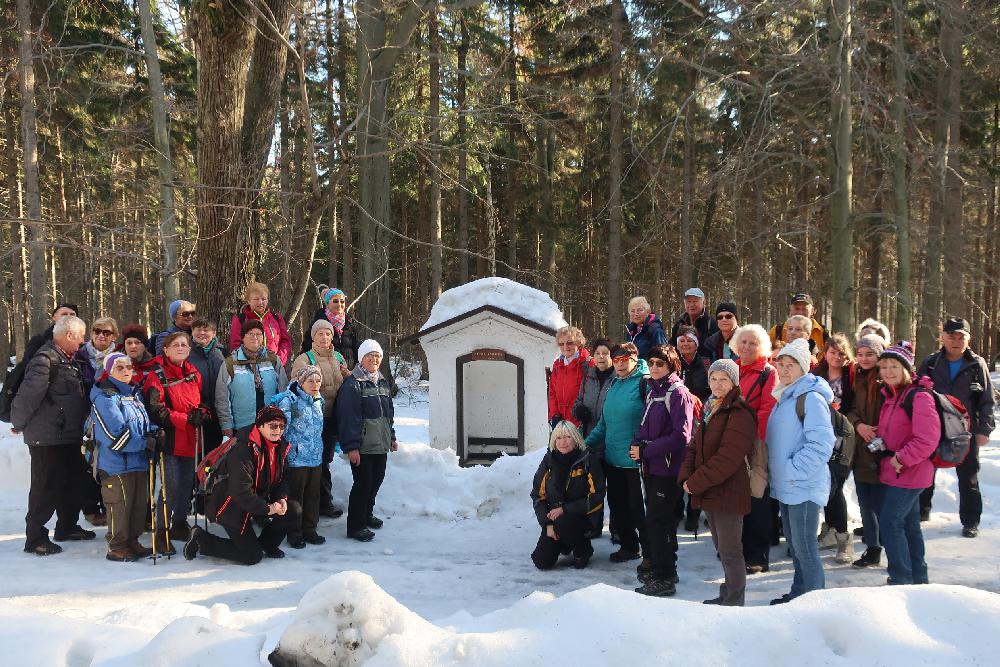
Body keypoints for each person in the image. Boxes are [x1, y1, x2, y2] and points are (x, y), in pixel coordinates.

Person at [11, 316, 95, 555]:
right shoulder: (45, 360)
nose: (83, 341)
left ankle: (67, 527)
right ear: (69, 336)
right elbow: (28, 396)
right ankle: (35, 537)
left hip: (68, 435)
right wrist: (19, 422)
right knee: (46, 487)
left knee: (72, 483)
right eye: (81, 336)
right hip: (46, 437)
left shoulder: (69, 359)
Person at [679, 359, 757, 606]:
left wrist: (696, 483)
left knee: (731, 552)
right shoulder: (712, 408)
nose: (717, 384)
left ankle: (734, 600)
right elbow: (695, 447)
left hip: (728, 491)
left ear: (734, 382)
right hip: (711, 489)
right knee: (722, 549)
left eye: (724, 379)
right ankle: (727, 594)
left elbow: (728, 458)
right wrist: (685, 477)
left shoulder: (739, 412)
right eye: (713, 378)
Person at [765, 338, 835, 605]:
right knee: (796, 547)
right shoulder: (786, 395)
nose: (783, 369)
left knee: (806, 548)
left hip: (802, 486)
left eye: (790, 364)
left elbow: (821, 444)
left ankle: (815, 604)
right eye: (780, 364)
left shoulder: (810, 398)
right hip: (787, 486)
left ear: (803, 367)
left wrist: (794, 470)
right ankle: (799, 595)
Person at [917, 317, 995, 537]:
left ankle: (971, 520)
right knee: (925, 471)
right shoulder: (931, 363)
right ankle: (920, 512)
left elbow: (987, 400)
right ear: (942, 337)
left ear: (968, 340)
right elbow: (916, 394)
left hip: (965, 430)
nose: (956, 341)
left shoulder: (977, 364)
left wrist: (984, 430)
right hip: (933, 427)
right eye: (952, 336)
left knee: (969, 476)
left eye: (962, 337)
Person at [183, 406, 292, 564]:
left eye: (282, 426)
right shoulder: (242, 449)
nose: (278, 430)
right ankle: (201, 540)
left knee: (292, 510)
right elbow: (240, 492)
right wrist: (268, 508)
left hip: (255, 500)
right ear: (260, 426)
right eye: (273, 426)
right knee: (251, 556)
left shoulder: (279, 446)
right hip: (230, 505)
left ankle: (265, 545)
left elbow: (283, 479)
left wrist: (281, 498)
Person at [631, 345, 695, 597]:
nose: (655, 368)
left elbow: (682, 436)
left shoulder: (678, 394)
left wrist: (646, 450)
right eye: (652, 363)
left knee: (658, 522)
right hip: (653, 467)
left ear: (672, 366)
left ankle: (665, 575)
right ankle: (664, 567)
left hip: (669, 470)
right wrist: (636, 444)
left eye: (661, 364)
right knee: (660, 522)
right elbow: (645, 425)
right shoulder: (653, 390)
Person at [875, 341, 939, 585]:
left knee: (890, 523)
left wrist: (901, 458)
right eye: (884, 367)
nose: (888, 371)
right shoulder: (893, 395)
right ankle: (918, 578)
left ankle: (901, 579)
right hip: (899, 471)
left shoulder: (919, 396)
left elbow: (927, 439)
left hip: (910, 471)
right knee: (909, 525)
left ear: (906, 368)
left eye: (894, 366)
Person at [584, 342, 649, 563]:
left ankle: (651, 554)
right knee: (619, 507)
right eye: (617, 360)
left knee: (638, 510)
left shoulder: (645, 383)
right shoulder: (614, 383)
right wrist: (585, 445)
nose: (620, 364)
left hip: (635, 461)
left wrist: (645, 447)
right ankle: (630, 547)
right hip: (613, 459)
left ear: (634, 358)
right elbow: (603, 424)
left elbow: (654, 419)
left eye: (625, 359)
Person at [90, 353, 158, 561]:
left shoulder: (133, 395)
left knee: (138, 505)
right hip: (115, 464)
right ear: (109, 371)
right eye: (120, 367)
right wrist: (144, 442)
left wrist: (155, 432)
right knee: (119, 506)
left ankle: (132, 541)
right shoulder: (104, 397)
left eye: (129, 366)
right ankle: (117, 545)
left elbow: (142, 424)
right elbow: (114, 435)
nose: (126, 370)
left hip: (138, 462)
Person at [144, 331, 206, 553]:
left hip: (191, 437)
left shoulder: (193, 373)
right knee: (170, 487)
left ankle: (180, 523)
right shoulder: (156, 376)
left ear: (189, 350)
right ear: (166, 350)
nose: (181, 348)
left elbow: (200, 401)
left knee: (186, 484)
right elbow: (156, 410)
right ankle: (162, 531)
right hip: (169, 438)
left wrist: (202, 414)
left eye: (184, 345)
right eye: (176, 345)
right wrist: (186, 419)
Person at [337, 339, 397, 542]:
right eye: (370, 356)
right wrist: (352, 447)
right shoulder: (353, 384)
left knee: (376, 480)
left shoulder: (382, 381)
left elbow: (388, 414)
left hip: (380, 443)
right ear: (361, 359)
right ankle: (355, 525)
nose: (374, 359)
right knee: (363, 484)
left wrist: (392, 436)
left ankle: (366, 514)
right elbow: (348, 418)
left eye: (378, 356)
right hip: (362, 446)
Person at [291, 319, 351, 518]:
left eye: (328, 334)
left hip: (335, 416)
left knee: (326, 460)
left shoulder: (338, 357)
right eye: (320, 334)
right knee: (315, 463)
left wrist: (349, 374)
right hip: (313, 420)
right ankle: (315, 504)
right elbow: (295, 388)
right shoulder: (304, 359)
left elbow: (346, 384)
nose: (325, 337)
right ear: (313, 337)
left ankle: (323, 502)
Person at [731, 324, 778, 574]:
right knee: (737, 495)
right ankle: (736, 549)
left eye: (753, 343)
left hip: (755, 443)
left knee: (757, 496)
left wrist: (743, 432)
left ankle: (758, 555)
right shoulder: (732, 369)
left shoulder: (768, 372)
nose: (747, 347)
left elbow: (768, 408)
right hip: (731, 441)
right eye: (744, 342)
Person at [529, 421, 606, 570]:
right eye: (558, 438)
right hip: (555, 519)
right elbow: (537, 495)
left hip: (583, 516)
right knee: (541, 561)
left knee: (564, 523)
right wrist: (547, 525)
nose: (562, 442)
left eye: (567, 437)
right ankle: (565, 542)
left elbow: (598, 495)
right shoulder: (548, 461)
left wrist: (565, 509)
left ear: (576, 439)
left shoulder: (587, 459)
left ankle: (583, 550)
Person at [812, 333, 857, 563]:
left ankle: (843, 539)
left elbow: (858, 404)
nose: (837, 357)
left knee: (835, 485)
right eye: (832, 352)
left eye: (841, 353)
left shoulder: (853, 375)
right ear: (825, 353)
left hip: (844, 436)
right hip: (820, 435)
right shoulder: (816, 374)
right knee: (826, 485)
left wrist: (843, 419)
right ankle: (830, 530)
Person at [845, 334, 888, 567]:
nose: (864, 358)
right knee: (865, 502)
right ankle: (872, 548)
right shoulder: (856, 377)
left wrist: (882, 431)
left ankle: (891, 548)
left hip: (883, 449)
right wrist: (858, 425)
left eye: (869, 354)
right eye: (860, 354)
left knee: (882, 504)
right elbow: (849, 408)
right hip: (861, 448)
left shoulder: (886, 377)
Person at [273, 365, 327, 548]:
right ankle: (294, 532)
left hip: (315, 456)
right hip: (296, 459)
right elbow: (281, 429)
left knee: (313, 495)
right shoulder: (290, 400)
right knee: (296, 497)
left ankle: (310, 529)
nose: (315, 384)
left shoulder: (319, 400)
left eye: (318, 380)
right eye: (310, 381)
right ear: (301, 381)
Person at [215, 320, 288, 438]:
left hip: (271, 425)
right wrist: (226, 425)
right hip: (242, 427)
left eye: (258, 334)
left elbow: (284, 391)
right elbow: (222, 397)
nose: (255, 337)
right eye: (250, 334)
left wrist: (282, 419)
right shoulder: (230, 362)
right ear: (243, 338)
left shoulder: (273, 359)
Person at [229, 282, 294, 366]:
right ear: (248, 300)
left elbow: (285, 342)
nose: (260, 302)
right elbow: (236, 345)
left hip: (275, 367)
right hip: (250, 368)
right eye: (256, 299)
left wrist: (279, 361)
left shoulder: (276, 318)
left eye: (263, 299)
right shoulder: (240, 319)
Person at [188, 318, 227, 453]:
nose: (202, 333)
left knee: (216, 456)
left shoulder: (222, 353)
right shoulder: (186, 353)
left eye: (206, 330)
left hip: (219, 414)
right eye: (198, 329)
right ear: (192, 332)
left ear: (214, 333)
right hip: (197, 415)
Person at [302, 287, 362, 369]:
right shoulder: (318, 323)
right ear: (327, 303)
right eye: (335, 301)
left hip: (349, 373)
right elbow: (307, 347)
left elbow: (357, 348)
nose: (339, 304)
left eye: (342, 301)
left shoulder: (349, 323)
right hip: (326, 373)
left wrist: (355, 370)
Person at [548, 326, 593, 429]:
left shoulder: (588, 363)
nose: (565, 347)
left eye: (570, 343)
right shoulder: (557, 365)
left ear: (578, 343)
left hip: (580, 421)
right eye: (561, 344)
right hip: (560, 422)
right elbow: (552, 392)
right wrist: (554, 414)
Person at [572, 338, 615, 437]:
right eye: (597, 353)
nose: (601, 356)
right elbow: (578, 401)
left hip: (609, 438)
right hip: (588, 435)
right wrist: (578, 410)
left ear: (612, 356)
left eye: (605, 353)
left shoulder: (617, 379)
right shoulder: (588, 376)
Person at [75, 317, 119, 389]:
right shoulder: (78, 354)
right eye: (97, 331)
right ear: (92, 334)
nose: (101, 335)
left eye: (106, 333)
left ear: (114, 337)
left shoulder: (120, 358)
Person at [676, 325, 710, 401]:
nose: (685, 344)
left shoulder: (707, 364)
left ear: (696, 344)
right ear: (677, 345)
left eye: (689, 341)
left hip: (702, 408)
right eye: (682, 341)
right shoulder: (672, 365)